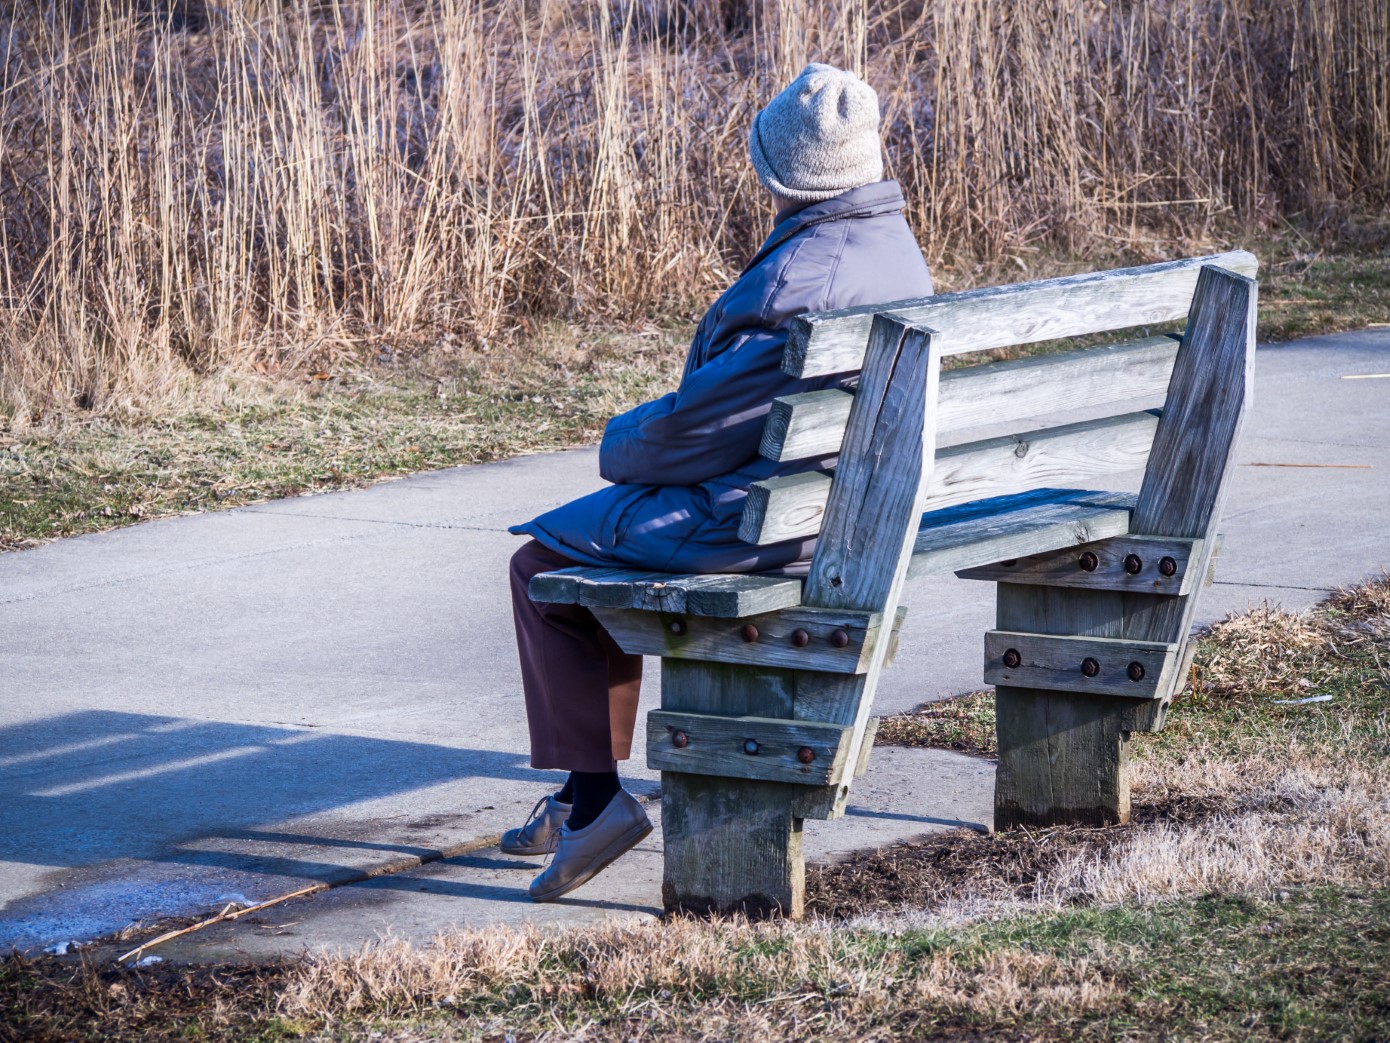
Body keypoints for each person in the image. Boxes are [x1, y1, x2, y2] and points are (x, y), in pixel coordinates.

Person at [504, 63, 934, 902]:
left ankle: (593, 801)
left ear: (778, 175)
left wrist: (615, 442)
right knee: (576, 559)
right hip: (840, 502)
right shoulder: (893, 247)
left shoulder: (793, 283)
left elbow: (691, 436)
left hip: (764, 523)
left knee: (541, 569)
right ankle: (577, 790)